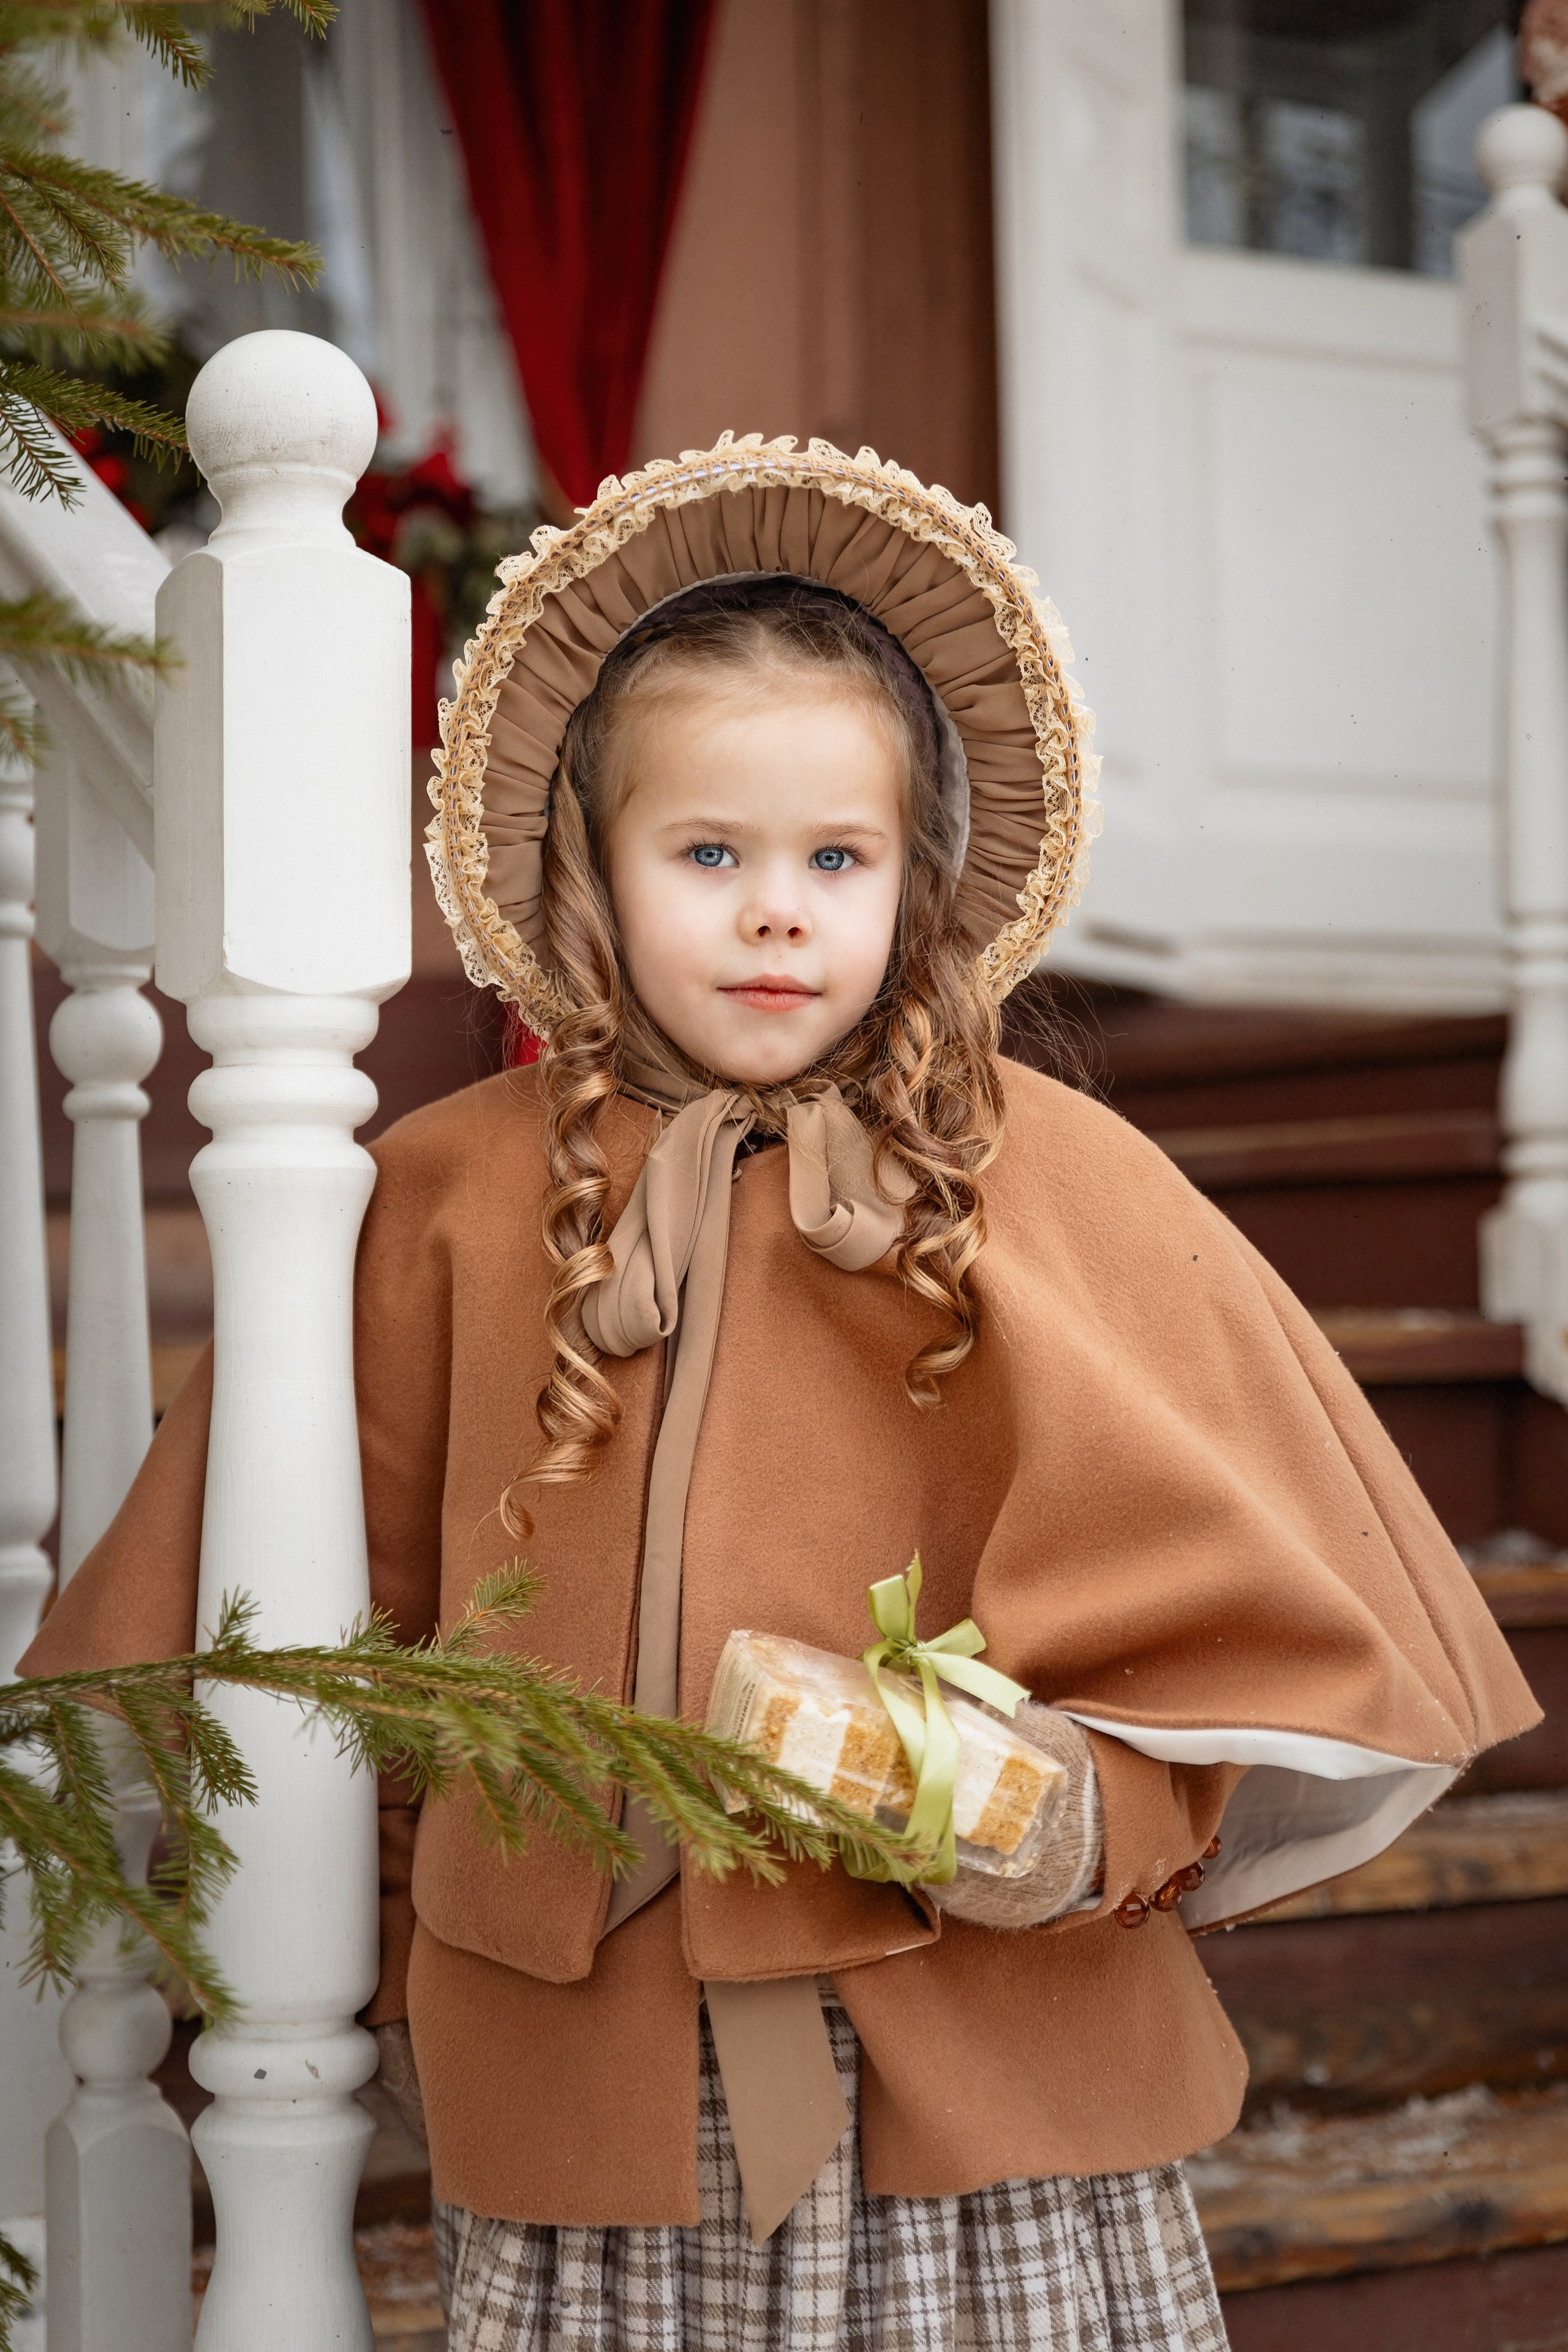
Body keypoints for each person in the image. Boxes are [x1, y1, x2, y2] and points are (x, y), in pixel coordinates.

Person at [26, 437, 1538, 2352]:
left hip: (978, 2099)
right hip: (596, 2083)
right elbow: (300, 1580)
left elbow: (1242, 1613)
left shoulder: (1049, 1177)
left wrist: (1071, 1801)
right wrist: (367, 1905)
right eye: (710, 854)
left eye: (837, 859)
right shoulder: (445, 1192)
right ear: (591, 867)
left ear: (923, 876)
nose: (775, 914)